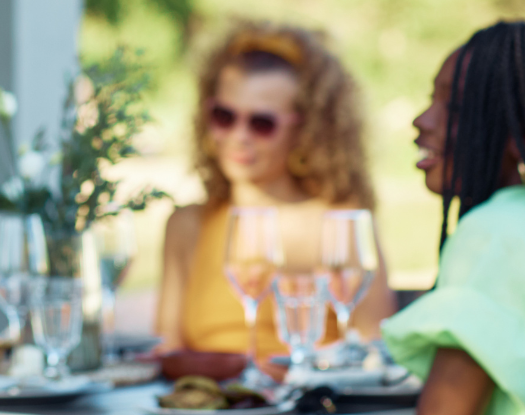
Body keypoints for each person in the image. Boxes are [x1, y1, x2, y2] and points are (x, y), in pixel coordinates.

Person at [156, 21, 396, 356]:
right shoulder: (188, 225)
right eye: (224, 116)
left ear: (306, 130)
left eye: (261, 123)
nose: (239, 136)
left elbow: (372, 349)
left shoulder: (340, 223)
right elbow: (167, 350)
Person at [384, 21, 525, 415]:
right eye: (432, 99)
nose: (422, 120)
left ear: (521, 134)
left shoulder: (496, 233)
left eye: (455, 108)